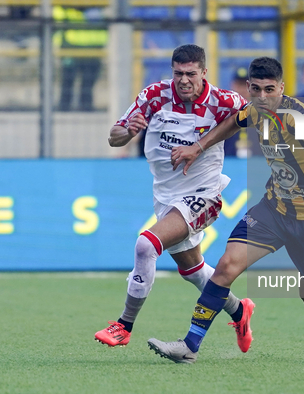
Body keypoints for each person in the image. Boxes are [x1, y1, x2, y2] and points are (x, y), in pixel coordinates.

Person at [147, 57, 304, 363]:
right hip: (275, 209)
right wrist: (198, 147)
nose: (263, 96)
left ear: (281, 87)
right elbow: (233, 122)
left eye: (270, 89)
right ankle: (189, 346)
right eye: (256, 89)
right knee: (227, 266)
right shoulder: (254, 108)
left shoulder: (294, 114)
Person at [94, 44, 251, 348]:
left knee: (145, 245)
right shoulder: (154, 95)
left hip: (203, 193)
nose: (183, 80)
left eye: (191, 73)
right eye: (178, 73)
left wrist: (199, 146)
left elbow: (250, 115)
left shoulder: (222, 101)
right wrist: (129, 132)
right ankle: (239, 309)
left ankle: (124, 325)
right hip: (166, 195)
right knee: (192, 270)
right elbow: (114, 137)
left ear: (204, 73)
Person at [54, 6, 107, 111]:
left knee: (88, 81)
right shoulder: (64, 9)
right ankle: (64, 107)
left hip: (93, 47)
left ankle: (86, 107)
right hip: (71, 47)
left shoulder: (100, 7)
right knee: (68, 79)